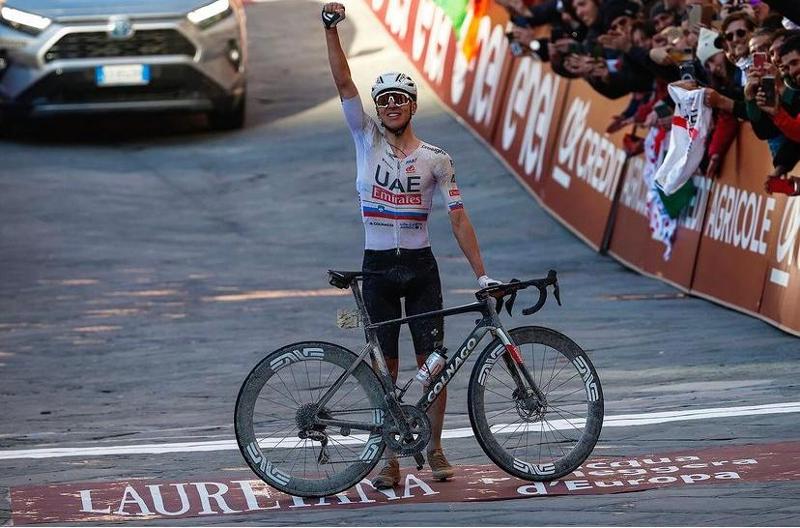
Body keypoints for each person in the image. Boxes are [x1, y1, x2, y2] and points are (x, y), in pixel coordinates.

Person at [320, 2, 499, 489]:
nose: (392, 105)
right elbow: (343, 83)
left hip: (420, 266)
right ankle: (390, 459)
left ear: (414, 105)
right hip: (377, 265)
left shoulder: (437, 159)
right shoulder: (365, 139)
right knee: (388, 366)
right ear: (378, 109)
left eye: (401, 98)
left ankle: (435, 447)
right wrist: (331, 29)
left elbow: (458, 218)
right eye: (385, 101)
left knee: (433, 363)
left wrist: (482, 274)